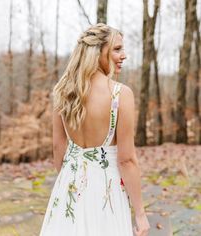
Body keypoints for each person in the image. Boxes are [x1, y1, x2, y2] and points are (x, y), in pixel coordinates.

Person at [39, 23, 150, 236]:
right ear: (98, 52)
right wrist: (140, 213)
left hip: (68, 189)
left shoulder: (62, 92)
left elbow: (57, 149)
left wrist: (71, 187)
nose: (124, 55)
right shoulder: (120, 94)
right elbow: (126, 160)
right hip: (106, 193)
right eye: (117, 49)